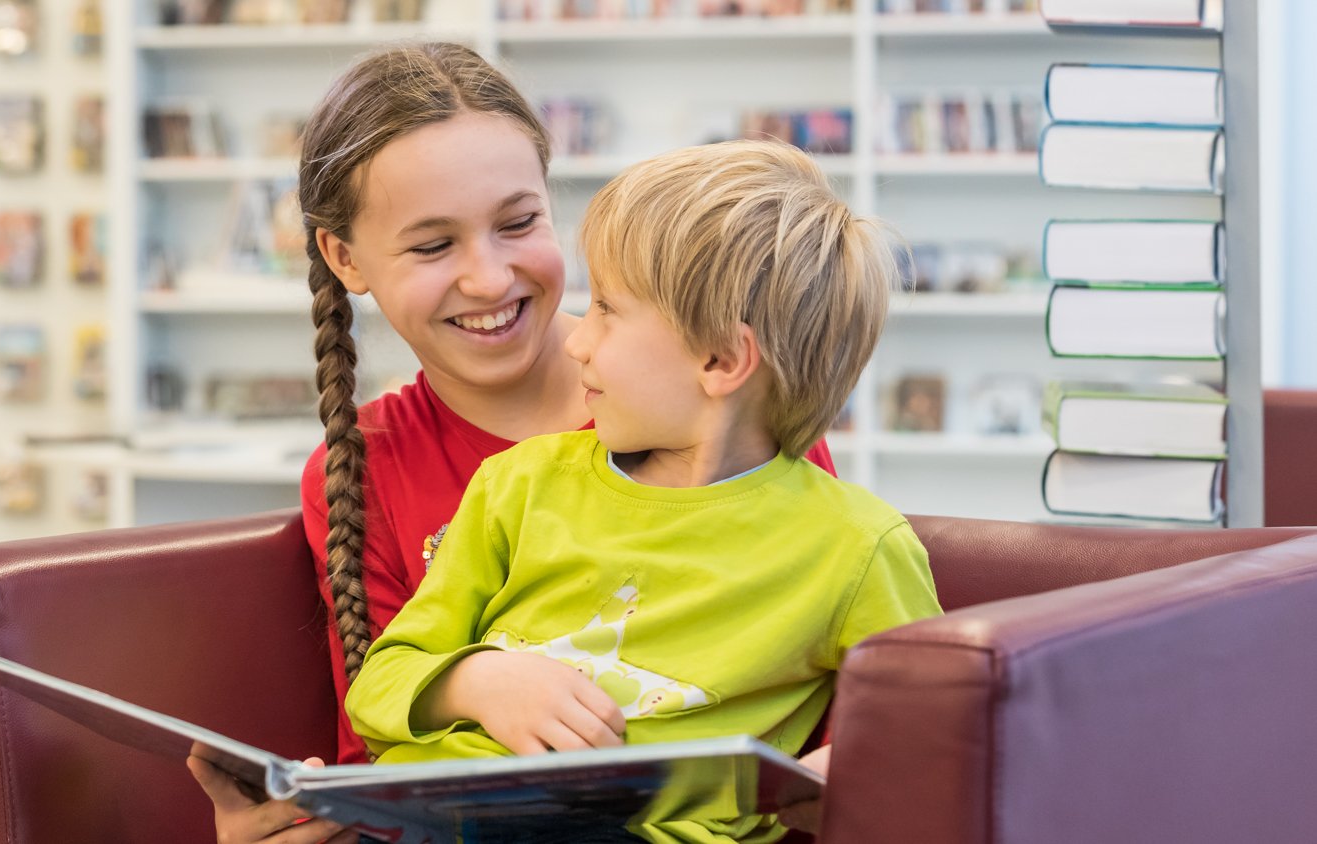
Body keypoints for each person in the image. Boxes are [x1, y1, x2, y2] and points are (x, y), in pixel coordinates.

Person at [188, 42, 837, 843]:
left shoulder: (717, 404)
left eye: (519, 222)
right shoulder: (366, 469)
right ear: (344, 257)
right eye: (432, 245)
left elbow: (853, 706)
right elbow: (387, 742)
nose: (490, 279)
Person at [343, 140, 943, 843]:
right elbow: (377, 690)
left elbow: (936, 730)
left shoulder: (858, 547)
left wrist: (862, 764)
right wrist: (476, 681)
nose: (575, 342)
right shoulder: (519, 485)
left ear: (721, 359)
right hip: (443, 818)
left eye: (605, 310)